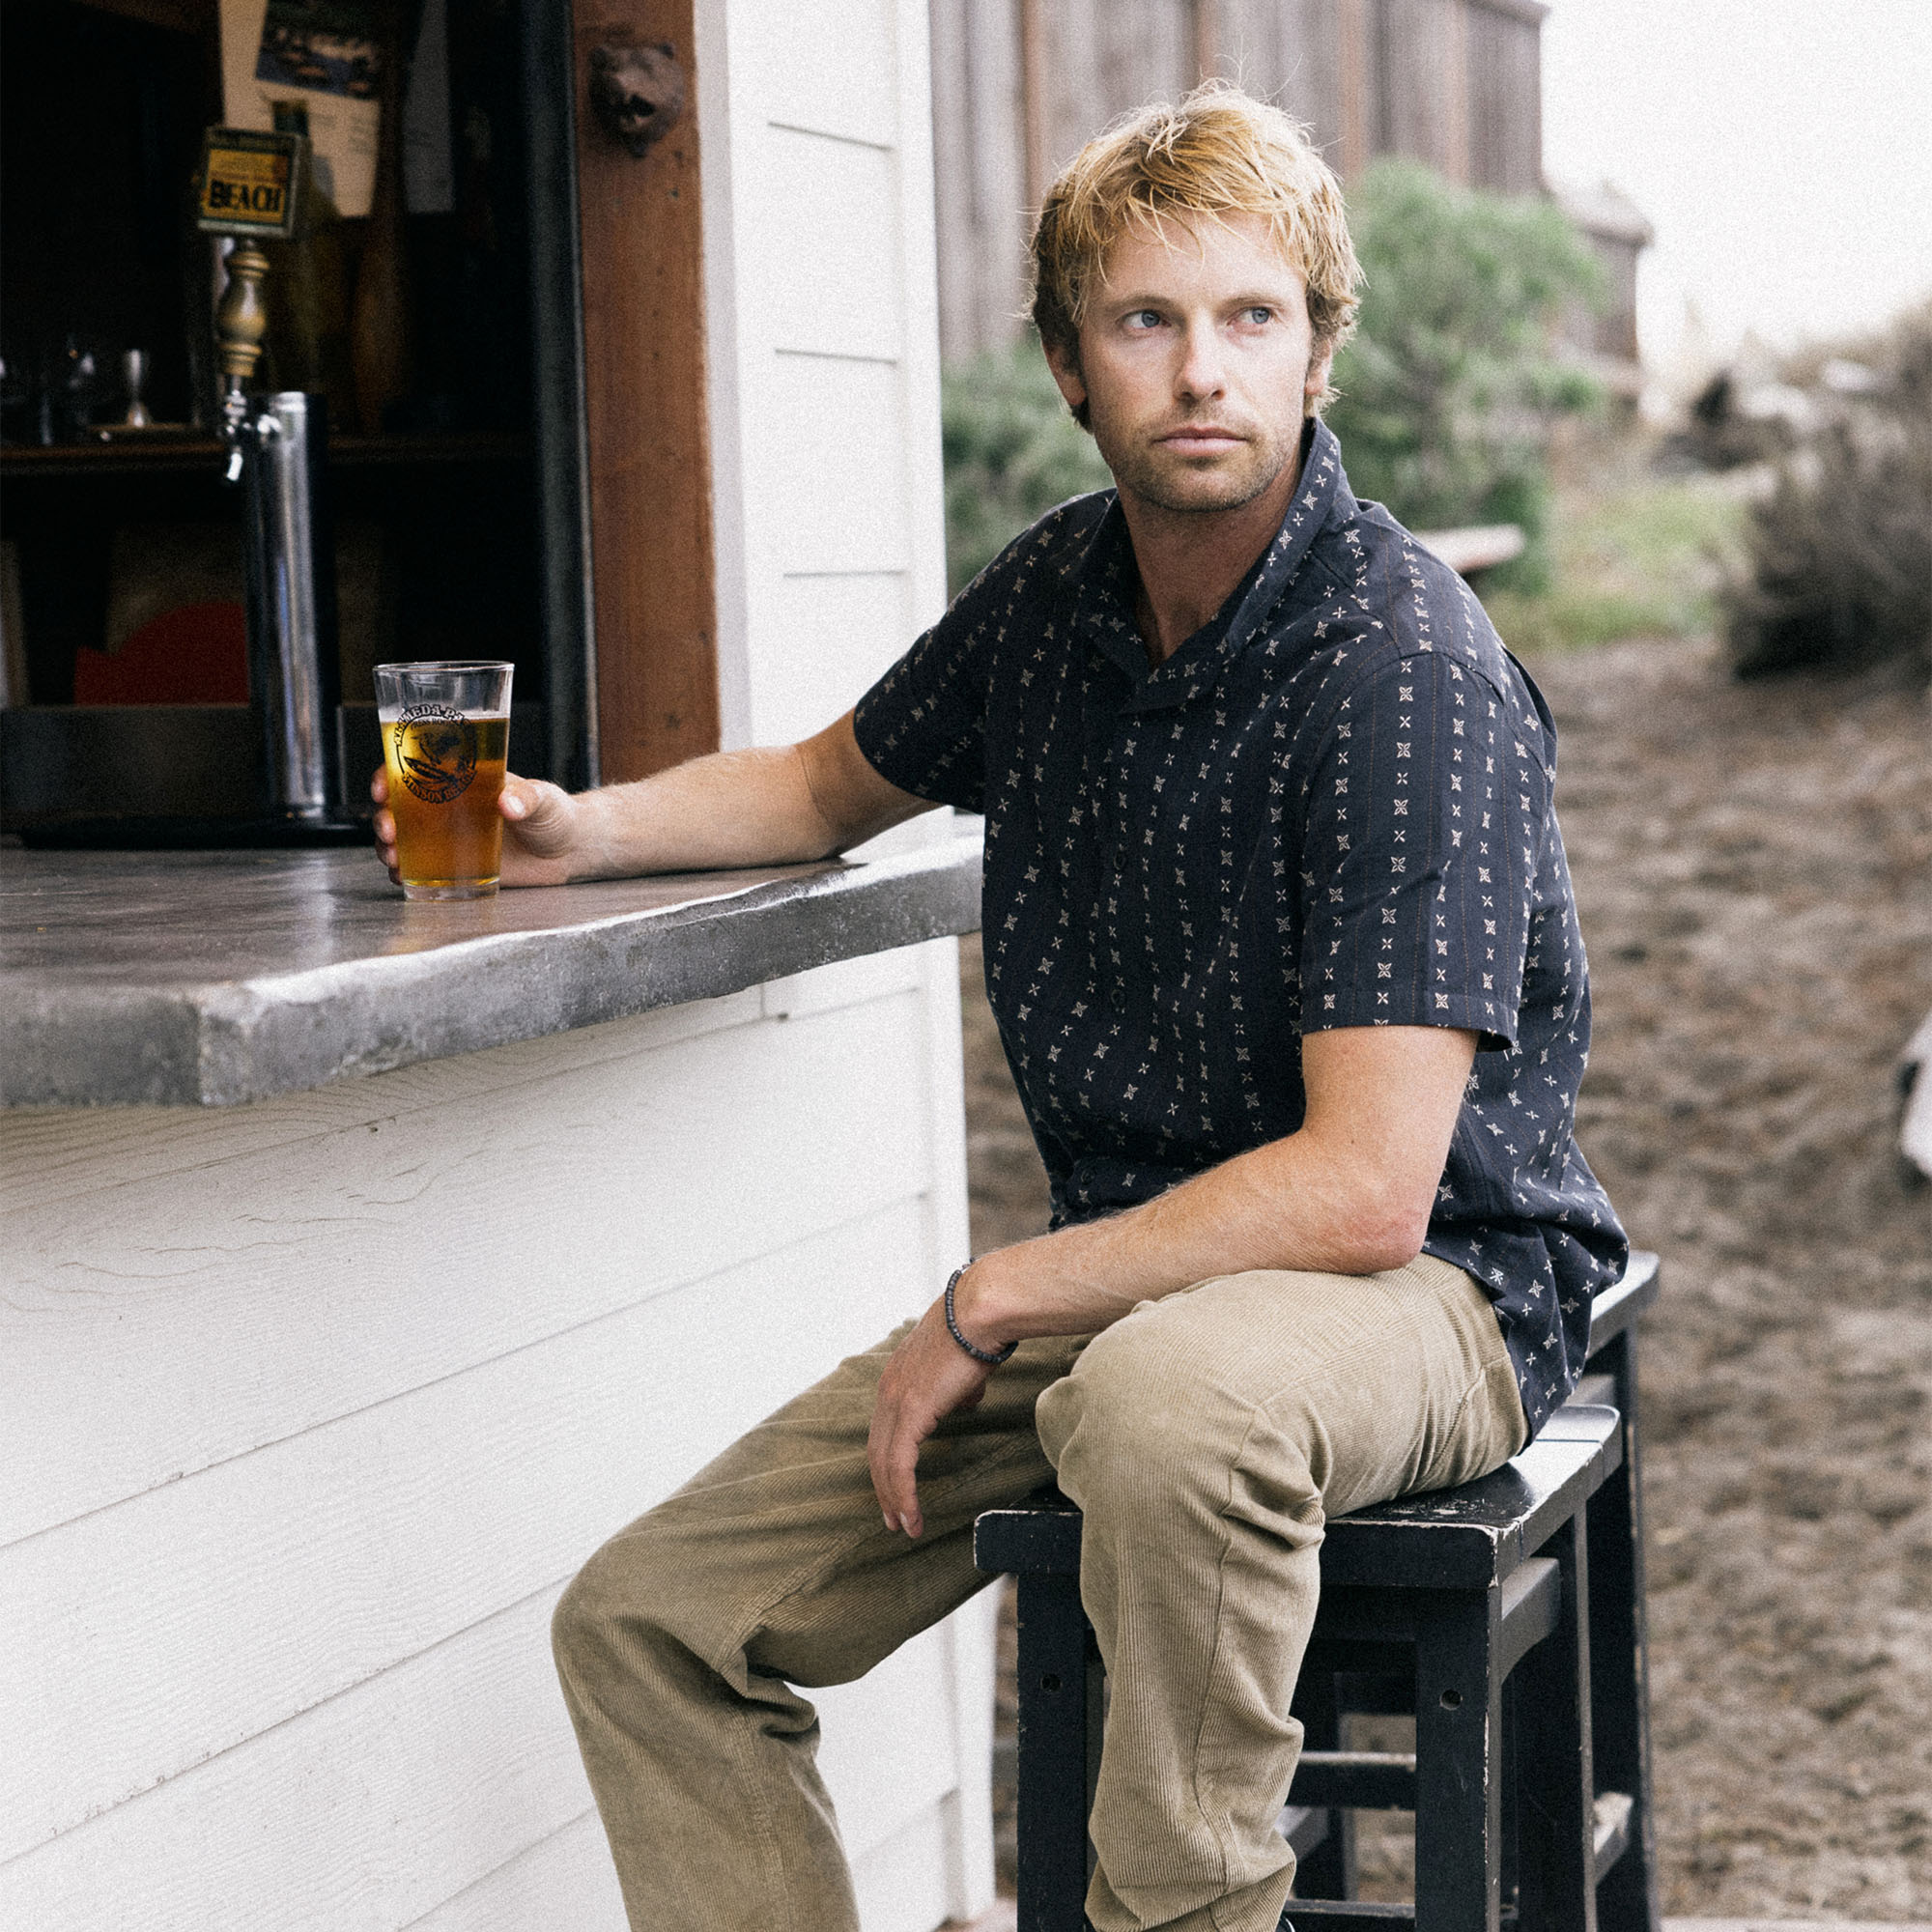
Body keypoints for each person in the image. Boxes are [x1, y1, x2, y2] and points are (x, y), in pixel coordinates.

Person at [373, 83, 1628, 1932]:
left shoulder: (1401, 665)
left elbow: (1367, 1187)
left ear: (1316, 351)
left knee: (1164, 1409)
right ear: (1066, 363)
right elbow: (820, 787)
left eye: (1249, 318)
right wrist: (584, 831)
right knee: (654, 1627)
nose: (1200, 370)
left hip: (1429, 1284)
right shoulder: (1058, 595)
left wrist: (988, 1297)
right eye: (1145, 321)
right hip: (1140, 1290)